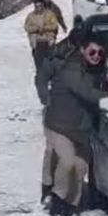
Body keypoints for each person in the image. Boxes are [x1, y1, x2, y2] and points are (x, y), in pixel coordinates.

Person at [42, 34, 108, 216]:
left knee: (81, 167)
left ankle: (71, 204)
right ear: (82, 50)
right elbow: (87, 93)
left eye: (100, 52)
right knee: (67, 162)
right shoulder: (72, 69)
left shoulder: (100, 69)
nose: (96, 55)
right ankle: (57, 201)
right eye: (92, 51)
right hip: (60, 126)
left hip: (81, 129)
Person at [35, 27, 84, 206]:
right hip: (54, 110)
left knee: (74, 155)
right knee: (51, 150)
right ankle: (47, 186)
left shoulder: (87, 55)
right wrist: (45, 98)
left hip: (75, 112)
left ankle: (67, 192)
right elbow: (41, 78)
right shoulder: (56, 55)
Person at [24, 0, 60, 73]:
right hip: (36, 41)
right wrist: (36, 29)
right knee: (38, 59)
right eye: (36, 6)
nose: (38, 8)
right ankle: (40, 73)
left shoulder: (50, 14)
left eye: (40, 6)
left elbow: (55, 25)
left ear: (43, 5)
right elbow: (27, 27)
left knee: (50, 57)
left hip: (48, 39)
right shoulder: (31, 16)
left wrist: (45, 28)